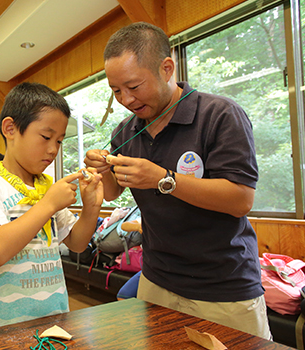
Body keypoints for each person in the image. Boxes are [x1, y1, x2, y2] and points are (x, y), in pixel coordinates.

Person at [84, 22, 270, 339]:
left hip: (224, 286)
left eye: (134, 86)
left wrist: (163, 179)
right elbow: (115, 191)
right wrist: (101, 169)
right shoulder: (126, 131)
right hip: (157, 280)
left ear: (166, 68)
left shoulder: (220, 115)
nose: (125, 99)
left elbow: (240, 200)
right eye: (116, 90)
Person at [0, 82, 104, 329]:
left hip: (57, 321)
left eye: (59, 141)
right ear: (10, 128)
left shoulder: (46, 186)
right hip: (6, 327)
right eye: (46, 137)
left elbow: (77, 243)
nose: (53, 149)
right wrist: (48, 204)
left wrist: (91, 207)